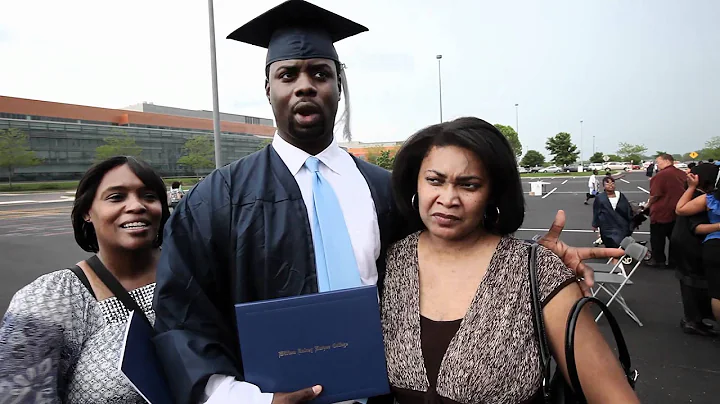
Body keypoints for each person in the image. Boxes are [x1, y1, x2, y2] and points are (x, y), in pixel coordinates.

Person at [151, 2, 620, 404]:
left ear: (340, 84)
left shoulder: (386, 191)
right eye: (287, 74)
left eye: (320, 72)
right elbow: (184, 318)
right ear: (268, 88)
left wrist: (540, 267)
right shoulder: (217, 201)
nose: (305, 85)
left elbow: (451, 258)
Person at [382, 117, 639, 404]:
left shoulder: (537, 270)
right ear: (415, 182)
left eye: (468, 185)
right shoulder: (390, 261)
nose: (448, 198)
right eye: (435, 180)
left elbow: (614, 397)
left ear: (493, 193)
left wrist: (546, 263)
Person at [0, 156, 170, 403]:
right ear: (87, 212)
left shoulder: (198, 273)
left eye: (149, 196)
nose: (137, 206)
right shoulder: (48, 300)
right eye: (116, 197)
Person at [670, 163, 719, 335]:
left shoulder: (692, 193)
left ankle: (693, 318)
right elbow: (696, 227)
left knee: (689, 281)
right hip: (691, 244)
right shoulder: (701, 198)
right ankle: (693, 320)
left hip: (682, 241)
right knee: (694, 282)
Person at [644, 153, 687, 268]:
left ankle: (659, 260)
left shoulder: (660, 176)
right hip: (678, 211)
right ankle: (674, 261)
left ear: (667, 161)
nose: (657, 165)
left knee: (657, 239)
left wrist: (647, 206)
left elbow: (655, 195)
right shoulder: (682, 174)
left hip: (661, 212)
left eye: (659, 162)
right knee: (675, 239)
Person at [592, 176, 633, 249]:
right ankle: (613, 257)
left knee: (620, 243)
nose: (611, 185)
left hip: (621, 225)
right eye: (607, 184)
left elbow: (627, 209)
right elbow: (596, 211)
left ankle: (617, 257)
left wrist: (632, 220)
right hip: (607, 226)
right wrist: (595, 224)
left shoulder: (620, 195)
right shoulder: (600, 197)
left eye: (612, 183)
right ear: (603, 186)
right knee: (610, 244)